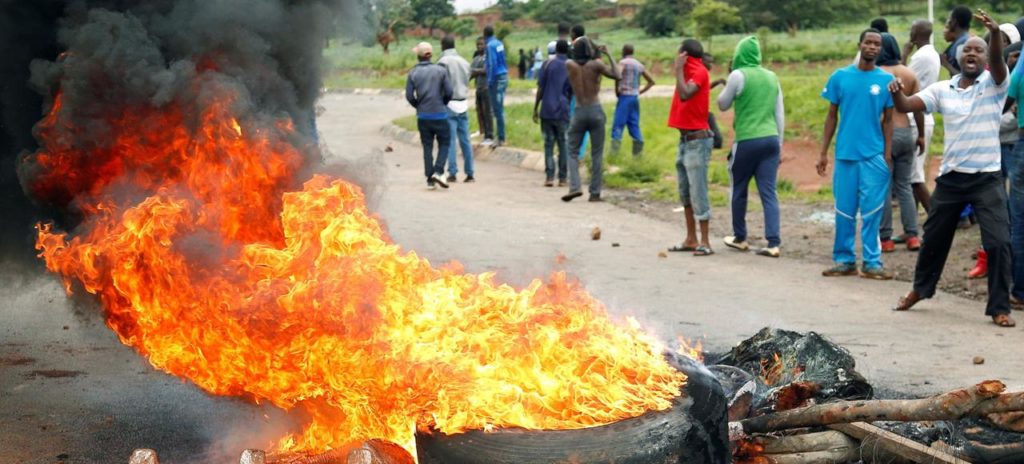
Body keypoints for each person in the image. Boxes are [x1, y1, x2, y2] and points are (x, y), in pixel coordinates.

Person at [892, 10, 1014, 328]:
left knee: (999, 241)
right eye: (967, 49)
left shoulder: (994, 84)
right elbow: (907, 106)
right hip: (951, 179)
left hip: (986, 178)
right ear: (959, 57)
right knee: (933, 238)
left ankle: (999, 306)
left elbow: (1000, 66)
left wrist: (996, 34)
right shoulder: (942, 90)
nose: (972, 52)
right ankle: (920, 290)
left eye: (979, 49)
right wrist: (896, 95)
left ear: (986, 58)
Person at [817, 29, 894, 279]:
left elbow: (889, 121)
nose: (872, 47)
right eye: (868, 42)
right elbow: (831, 116)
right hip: (845, 155)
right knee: (844, 211)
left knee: (872, 212)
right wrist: (823, 153)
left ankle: (872, 262)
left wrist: (887, 153)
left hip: (873, 156)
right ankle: (844, 259)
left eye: (877, 44)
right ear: (860, 45)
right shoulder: (840, 77)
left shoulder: (885, 81)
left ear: (880, 49)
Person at [717, 36, 785, 258]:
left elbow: (722, 104)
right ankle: (773, 243)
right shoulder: (772, 77)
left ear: (739, 54)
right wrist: (780, 144)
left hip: (747, 140)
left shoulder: (738, 75)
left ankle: (740, 237)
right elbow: (779, 114)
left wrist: (728, 83)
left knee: (739, 188)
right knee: (769, 192)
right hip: (771, 140)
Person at [877, 33, 926, 253]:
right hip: (906, 132)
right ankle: (913, 236)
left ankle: (885, 238)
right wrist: (921, 135)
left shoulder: (878, 75)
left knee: (885, 187)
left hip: (884, 134)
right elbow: (917, 107)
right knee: (905, 186)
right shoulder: (908, 73)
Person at [666, 39, 715, 256]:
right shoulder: (689, 72)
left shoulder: (700, 71)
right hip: (685, 141)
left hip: (697, 142)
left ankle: (705, 241)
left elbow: (686, 94)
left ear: (684, 55)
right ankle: (691, 238)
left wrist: (678, 70)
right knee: (685, 192)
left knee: (699, 191)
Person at [562, 37, 619, 203]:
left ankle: (575, 187)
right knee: (596, 153)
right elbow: (617, 74)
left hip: (579, 111)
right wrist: (608, 54)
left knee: (571, 150)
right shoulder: (596, 65)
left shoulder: (569, 65)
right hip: (595, 110)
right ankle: (595, 193)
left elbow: (569, 54)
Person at [903, 20, 940, 216]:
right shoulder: (931, 53)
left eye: (911, 28)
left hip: (915, 119)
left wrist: (903, 55)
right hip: (922, 116)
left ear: (916, 32)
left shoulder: (920, 56)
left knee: (914, 177)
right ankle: (912, 221)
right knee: (915, 174)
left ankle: (936, 218)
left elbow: (901, 80)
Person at [405, 41, 452, 190]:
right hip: (440, 115)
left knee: (427, 146)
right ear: (430, 55)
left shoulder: (413, 73)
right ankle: (438, 171)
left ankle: (430, 179)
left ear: (418, 56)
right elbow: (449, 92)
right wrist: (442, 103)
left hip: (423, 117)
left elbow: (409, 96)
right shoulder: (441, 71)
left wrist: (418, 106)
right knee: (444, 143)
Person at [534, 40, 573, 187]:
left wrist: (535, 108)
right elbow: (572, 90)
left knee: (548, 144)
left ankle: (549, 177)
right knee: (563, 143)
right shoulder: (570, 66)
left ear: (556, 50)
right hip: (562, 110)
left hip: (547, 109)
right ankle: (563, 178)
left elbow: (540, 89)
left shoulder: (547, 64)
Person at [437, 36, 475, 183]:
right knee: (465, 139)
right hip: (463, 102)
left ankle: (452, 172)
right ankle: (470, 172)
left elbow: (440, 84)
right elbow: (468, 78)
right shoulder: (465, 62)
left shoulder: (442, 62)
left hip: (449, 103)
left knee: (450, 139)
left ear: (442, 45)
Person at [610, 44, 655, 157]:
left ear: (623, 51)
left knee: (618, 124)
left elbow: (618, 75)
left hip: (625, 96)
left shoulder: (623, 63)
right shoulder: (639, 64)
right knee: (634, 124)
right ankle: (638, 155)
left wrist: (617, 89)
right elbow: (651, 81)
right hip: (634, 97)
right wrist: (640, 91)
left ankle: (614, 155)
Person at [484, 25, 509, 146]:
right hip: (504, 75)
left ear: (484, 35)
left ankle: (501, 138)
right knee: (499, 108)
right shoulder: (499, 43)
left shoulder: (489, 45)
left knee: (497, 109)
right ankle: (500, 136)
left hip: (497, 79)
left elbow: (492, 63)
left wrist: (489, 81)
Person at [470, 37, 495, 145]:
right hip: (478, 88)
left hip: (486, 88)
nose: (479, 46)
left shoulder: (487, 57)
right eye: (478, 44)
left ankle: (490, 134)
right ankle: (482, 132)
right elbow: (470, 73)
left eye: (481, 44)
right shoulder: (476, 58)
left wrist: (474, 71)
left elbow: (485, 70)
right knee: (479, 111)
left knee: (487, 112)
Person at [941, 6, 973, 75]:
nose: (947, 21)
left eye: (949, 18)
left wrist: (946, 64)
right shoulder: (960, 40)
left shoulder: (963, 44)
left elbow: (965, 77)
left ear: (954, 21)